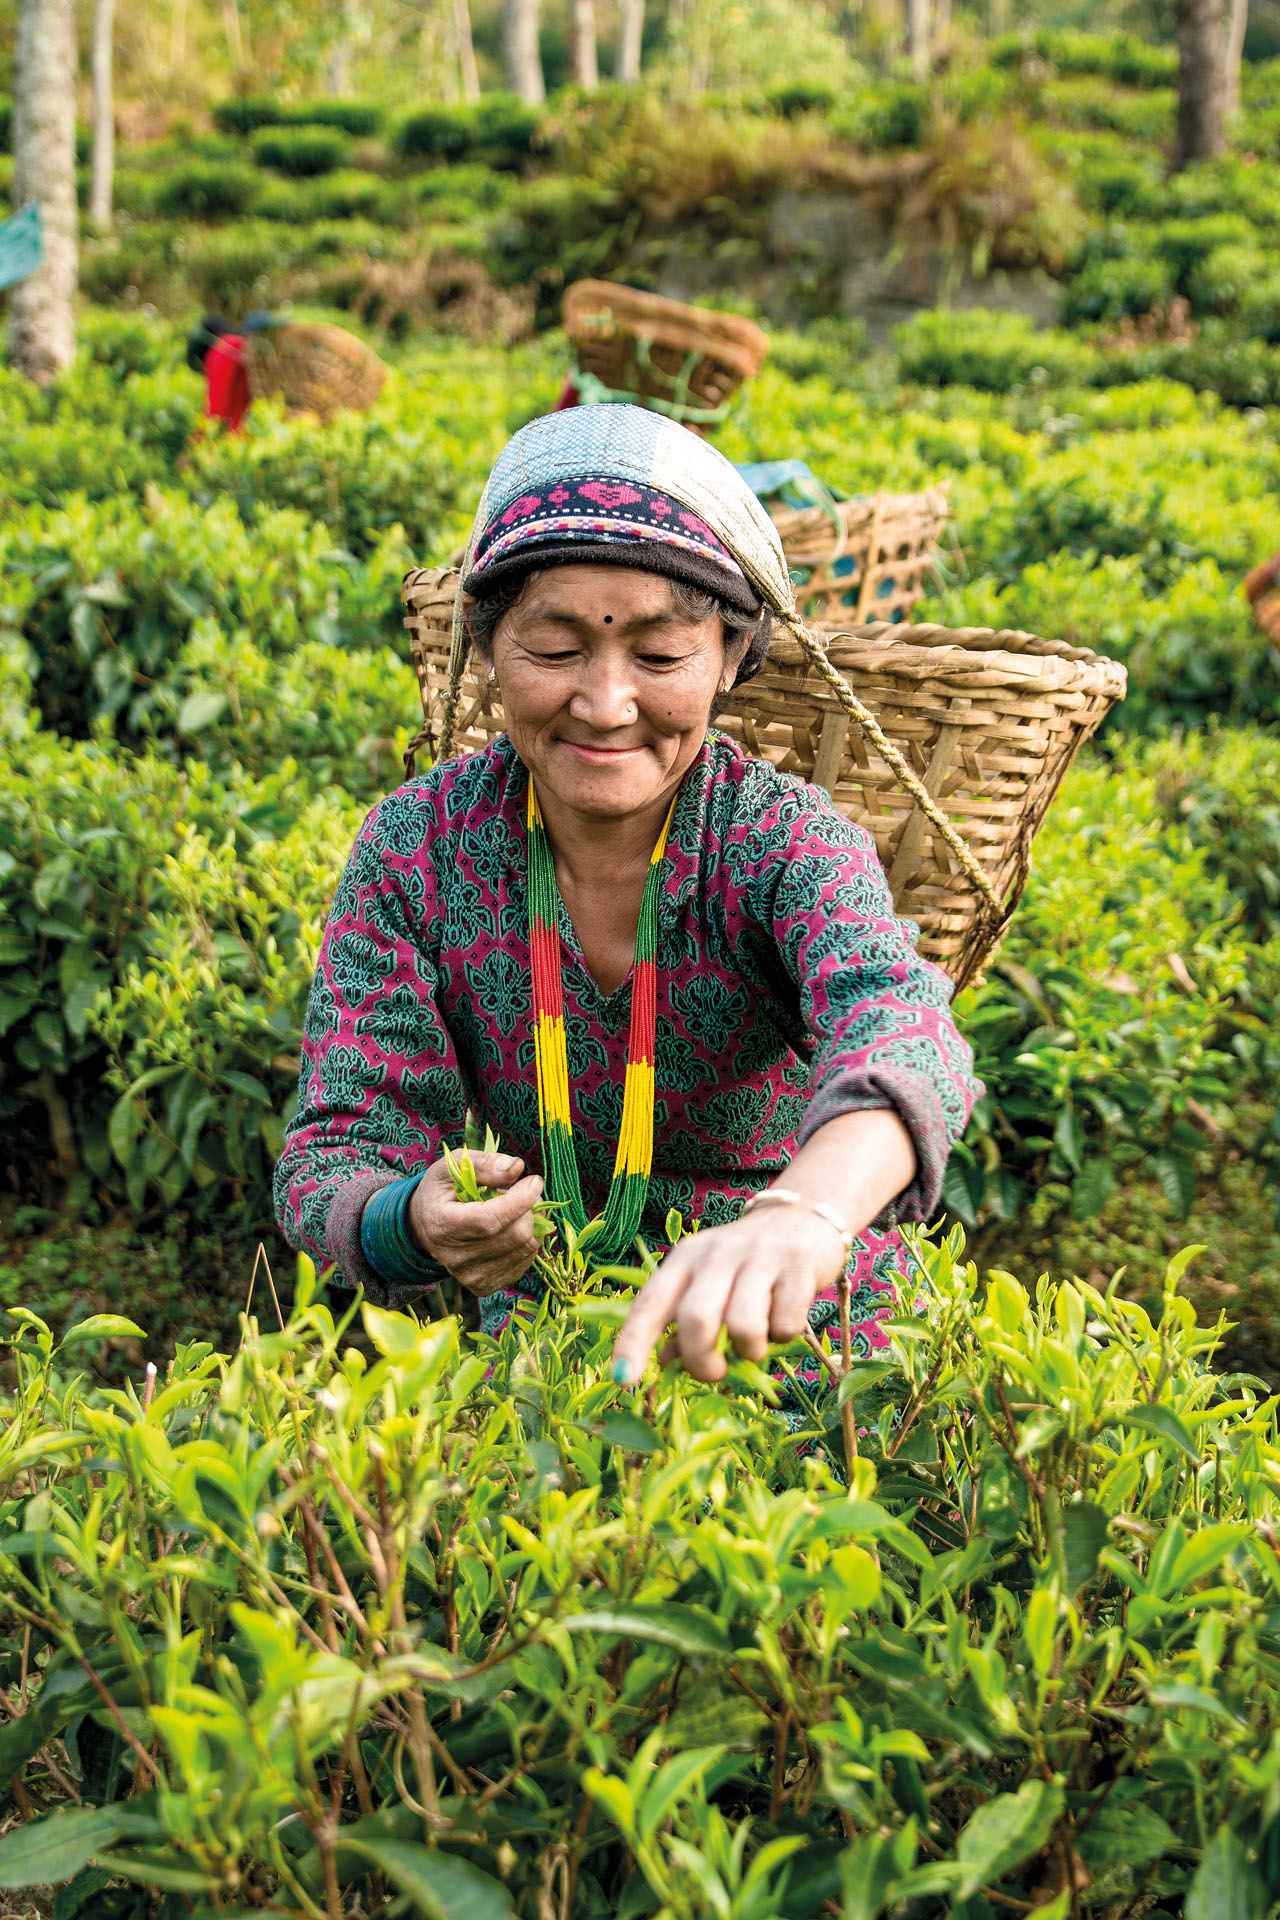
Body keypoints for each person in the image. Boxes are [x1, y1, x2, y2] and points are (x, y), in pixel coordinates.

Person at [273, 403, 979, 1390]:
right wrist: (411, 1223)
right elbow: (336, 1145)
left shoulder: (780, 841)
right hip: (554, 1336)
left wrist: (800, 1216)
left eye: (658, 656)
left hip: (802, 1327)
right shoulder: (416, 850)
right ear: (485, 652)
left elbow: (903, 1036)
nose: (605, 705)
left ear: (730, 659)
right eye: (554, 650)